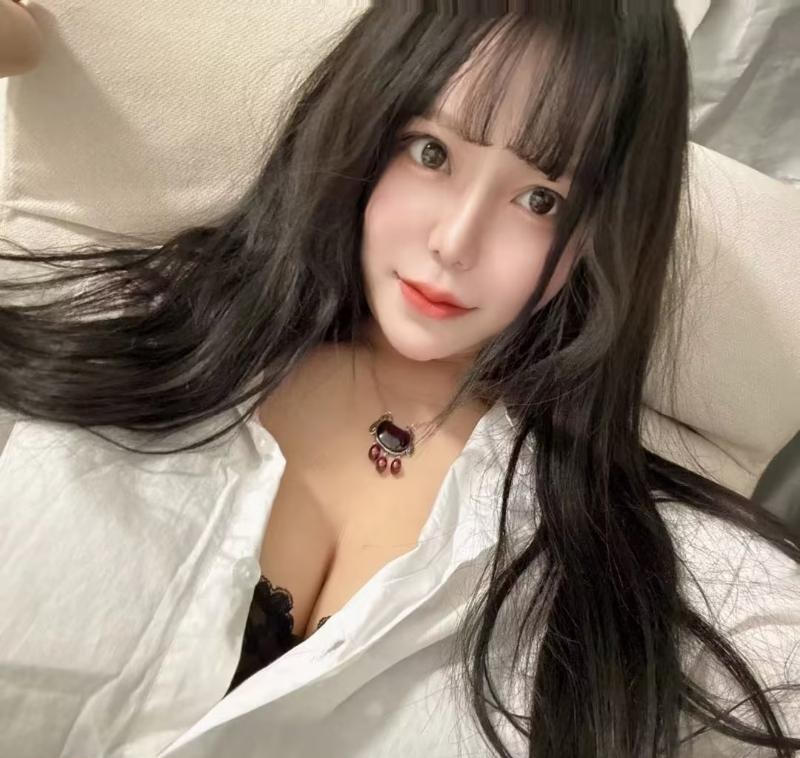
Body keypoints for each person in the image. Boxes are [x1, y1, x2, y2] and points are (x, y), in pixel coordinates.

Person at [0, 3, 798, 757]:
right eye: (431, 152)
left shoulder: (626, 560)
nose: (456, 242)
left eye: (540, 199)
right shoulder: (133, 328)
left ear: (601, 235)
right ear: (366, 124)